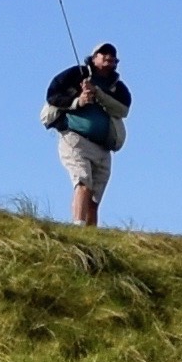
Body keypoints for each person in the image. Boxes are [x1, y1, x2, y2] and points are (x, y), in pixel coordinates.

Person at [39, 42, 133, 228]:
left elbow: (123, 109)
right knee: (83, 182)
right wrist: (78, 101)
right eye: (103, 53)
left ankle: (90, 233)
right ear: (94, 57)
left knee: (95, 197)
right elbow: (52, 96)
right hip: (74, 139)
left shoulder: (118, 88)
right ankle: (78, 225)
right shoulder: (76, 74)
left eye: (112, 55)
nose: (108, 56)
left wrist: (97, 93)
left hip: (103, 148)